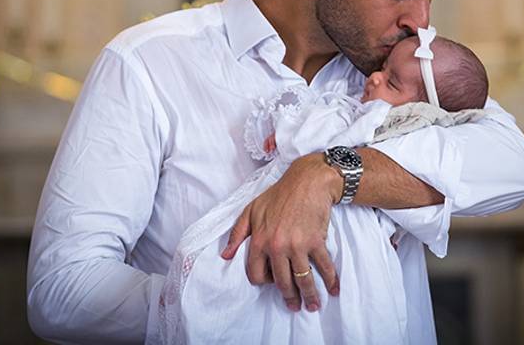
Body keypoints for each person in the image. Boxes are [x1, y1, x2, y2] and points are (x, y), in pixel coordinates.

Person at [27, 0, 524, 345]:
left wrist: (328, 174)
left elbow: (513, 164)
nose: (419, 22)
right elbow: (62, 291)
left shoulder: (401, 74)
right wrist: (226, 304)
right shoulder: (148, 65)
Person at [160, 29, 491, 344]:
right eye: (382, 68)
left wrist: (288, 130)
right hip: (353, 243)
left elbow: (316, 142)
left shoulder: (374, 122)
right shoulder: (396, 128)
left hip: (338, 229)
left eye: (391, 82)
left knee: (250, 276)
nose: (375, 78)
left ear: (420, 110)